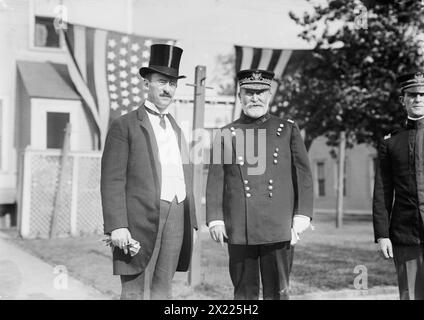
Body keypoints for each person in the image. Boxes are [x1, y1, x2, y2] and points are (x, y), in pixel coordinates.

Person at [205, 69, 314, 300]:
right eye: (249, 92)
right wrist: (215, 219)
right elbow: (216, 179)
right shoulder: (226, 133)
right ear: (239, 96)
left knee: (278, 293)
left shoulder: (287, 129)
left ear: (269, 94)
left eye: (261, 92)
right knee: (244, 294)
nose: (255, 98)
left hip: (278, 226)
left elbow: (303, 175)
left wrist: (302, 215)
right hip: (240, 229)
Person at [100, 44, 197, 300]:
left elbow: (184, 176)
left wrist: (192, 219)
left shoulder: (177, 128)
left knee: (163, 289)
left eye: (173, 84)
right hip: (140, 220)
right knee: (134, 291)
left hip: (177, 214)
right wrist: (117, 225)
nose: (168, 89)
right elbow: (112, 180)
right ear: (147, 83)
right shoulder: (125, 125)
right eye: (162, 81)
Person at [373, 71, 424, 300]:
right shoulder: (391, 142)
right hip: (406, 234)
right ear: (403, 99)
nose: (418, 99)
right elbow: (383, 191)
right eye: (412, 94)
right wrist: (382, 234)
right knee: (410, 295)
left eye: (423, 94)